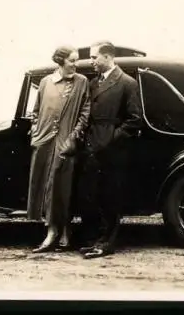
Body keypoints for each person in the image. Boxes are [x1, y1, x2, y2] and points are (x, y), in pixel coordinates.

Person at [76, 41, 142, 259]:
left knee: (110, 197)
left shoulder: (127, 83)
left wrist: (111, 139)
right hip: (91, 148)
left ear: (107, 57)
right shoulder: (93, 83)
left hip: (113, 152)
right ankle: (94, 240)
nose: (91, 61)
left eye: (95, 57)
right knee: (91, 195)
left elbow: (134, 120)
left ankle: (107, 243)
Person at [27, 45, 91, 253]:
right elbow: (36, 111)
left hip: (66, 142)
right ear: (61, 61)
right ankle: (54, 230)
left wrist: (73, 138)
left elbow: (84, 113)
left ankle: (59, 230)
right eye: (72, 60)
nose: (76, 64)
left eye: (76, 60)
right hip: (44, 141)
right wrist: (36, 131)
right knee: (46, 186)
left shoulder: (81, 82)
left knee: (62, 186)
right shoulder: (46, 83)